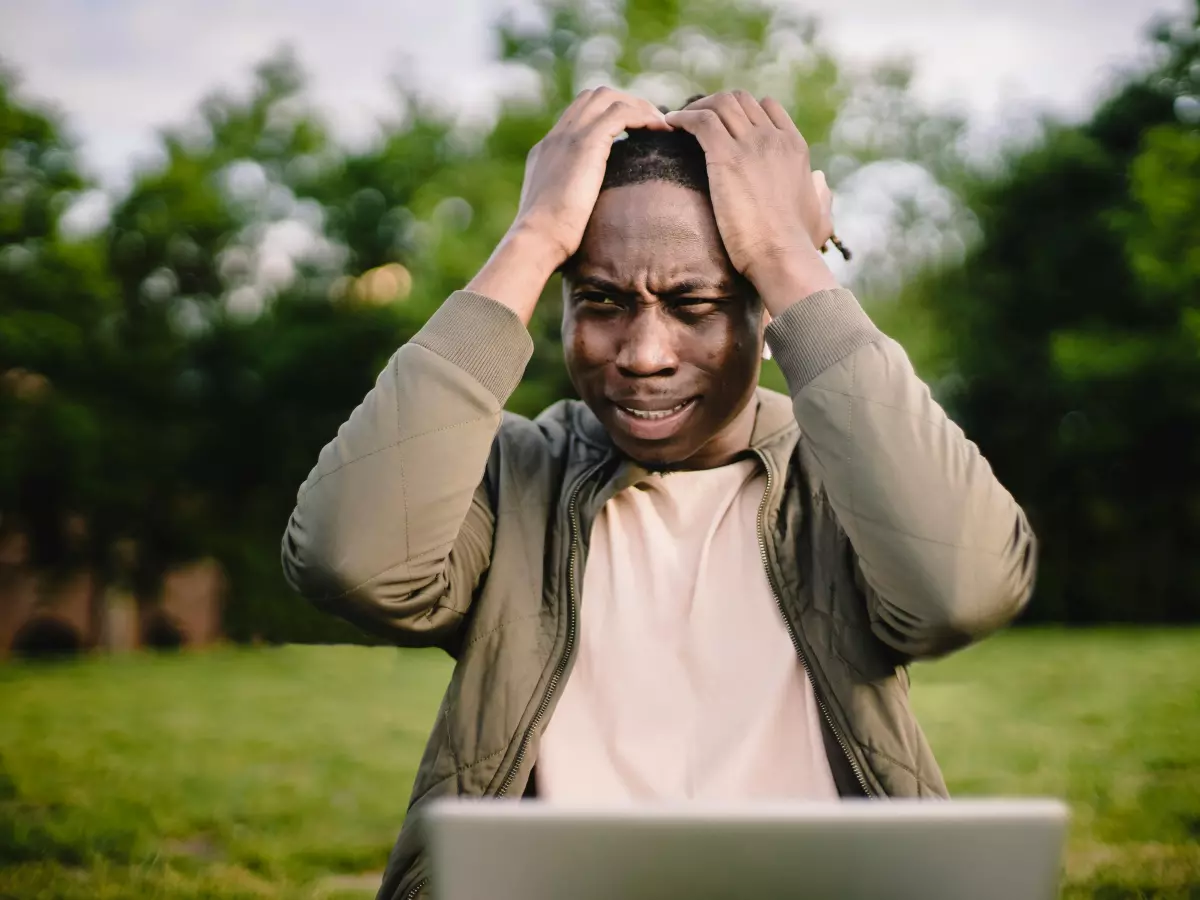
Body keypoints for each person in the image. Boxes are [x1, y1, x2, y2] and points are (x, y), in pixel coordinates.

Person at [281, 87, 1037, 900]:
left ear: (761, 312)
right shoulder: (510, 475)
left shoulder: (850, 479)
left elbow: (963, 591)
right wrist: (532, 237)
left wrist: (789, 255)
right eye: (600, 301)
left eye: (695, 305)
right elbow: (347, 560)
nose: (643, 354)